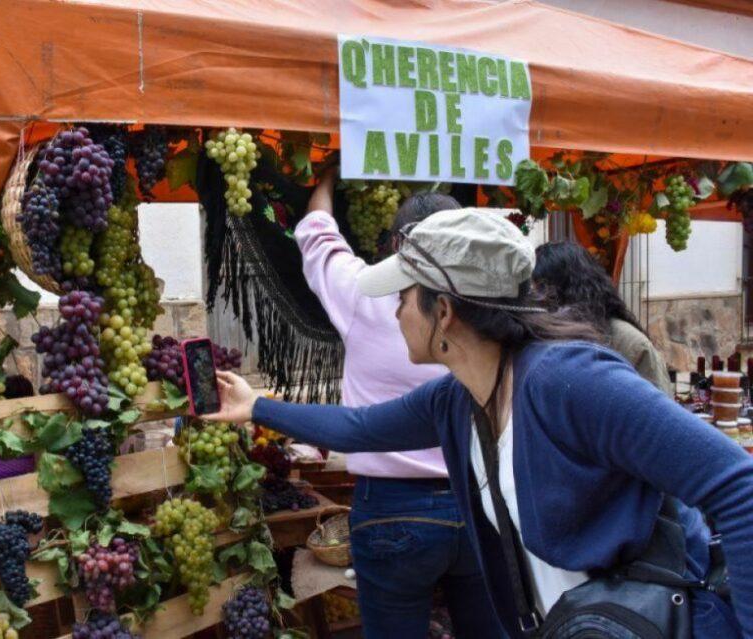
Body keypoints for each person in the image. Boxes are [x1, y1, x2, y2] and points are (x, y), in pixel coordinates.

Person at [206, 208, 752, 638]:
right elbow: (360, 429)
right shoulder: (460, 397)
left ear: (443, 310)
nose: (395, 312)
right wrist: (256, 407)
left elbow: (737, 486)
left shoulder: (569, 382)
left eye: (403, 297)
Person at [295, 169, 499, 638]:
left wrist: (328, 178)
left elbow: (317, 235)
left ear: (393, 248)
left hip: (391, 507)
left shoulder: (366, 293)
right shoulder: (491, 309)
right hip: (479, 500)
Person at [533, 241, 673, 394]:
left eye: (541, 290)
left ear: (570, 290)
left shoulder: (631, 344)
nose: (537, 299)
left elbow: (659, 412)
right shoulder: (541, 341)